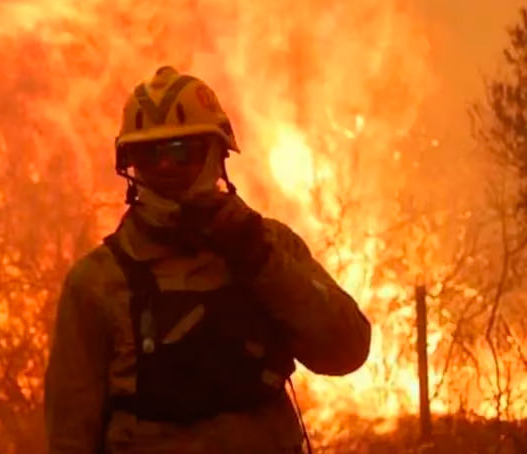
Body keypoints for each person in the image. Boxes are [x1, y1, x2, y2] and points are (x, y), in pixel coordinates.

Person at [44, 66, 371, 454]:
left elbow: (346, 350)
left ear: (217, 152)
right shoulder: (97, 282)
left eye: (182, 150)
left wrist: (260, 261)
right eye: (150, 154)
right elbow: (70, 431)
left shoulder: (271, 247)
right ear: (130, 163)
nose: (166, 165)